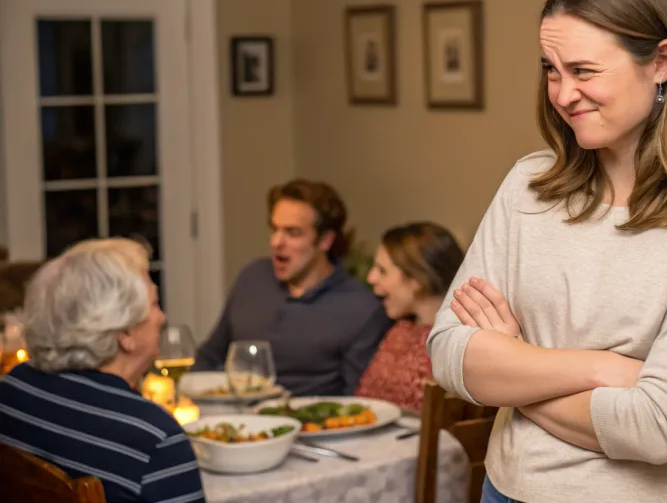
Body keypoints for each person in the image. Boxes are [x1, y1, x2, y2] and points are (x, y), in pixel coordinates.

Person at [427, 0, 667, 503]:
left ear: (661, 62)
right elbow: (448, 352)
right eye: (551, 70)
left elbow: (661, 425)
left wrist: (513, 367)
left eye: (583, 71)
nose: (562, 94)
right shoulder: (528, 185)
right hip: (505, 491)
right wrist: (604, 368)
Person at [0, 238, 205, 503]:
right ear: (126, 333)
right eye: (154, 304)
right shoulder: (155, 440)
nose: (162, 318)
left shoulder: (13, 388)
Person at [193, 179, 392, 396]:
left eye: (293, 233)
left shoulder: (361, 308)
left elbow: (357, 401)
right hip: (235, 420)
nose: (277, 242)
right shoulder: (253, 277)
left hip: (309, 424)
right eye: (275, 229)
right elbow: (210, 356)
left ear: (325, 240)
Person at [355, 222, 464, 411]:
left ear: (416, 279)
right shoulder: (400, 331)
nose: (371, 278)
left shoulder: (455, 344)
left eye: (382, 271)